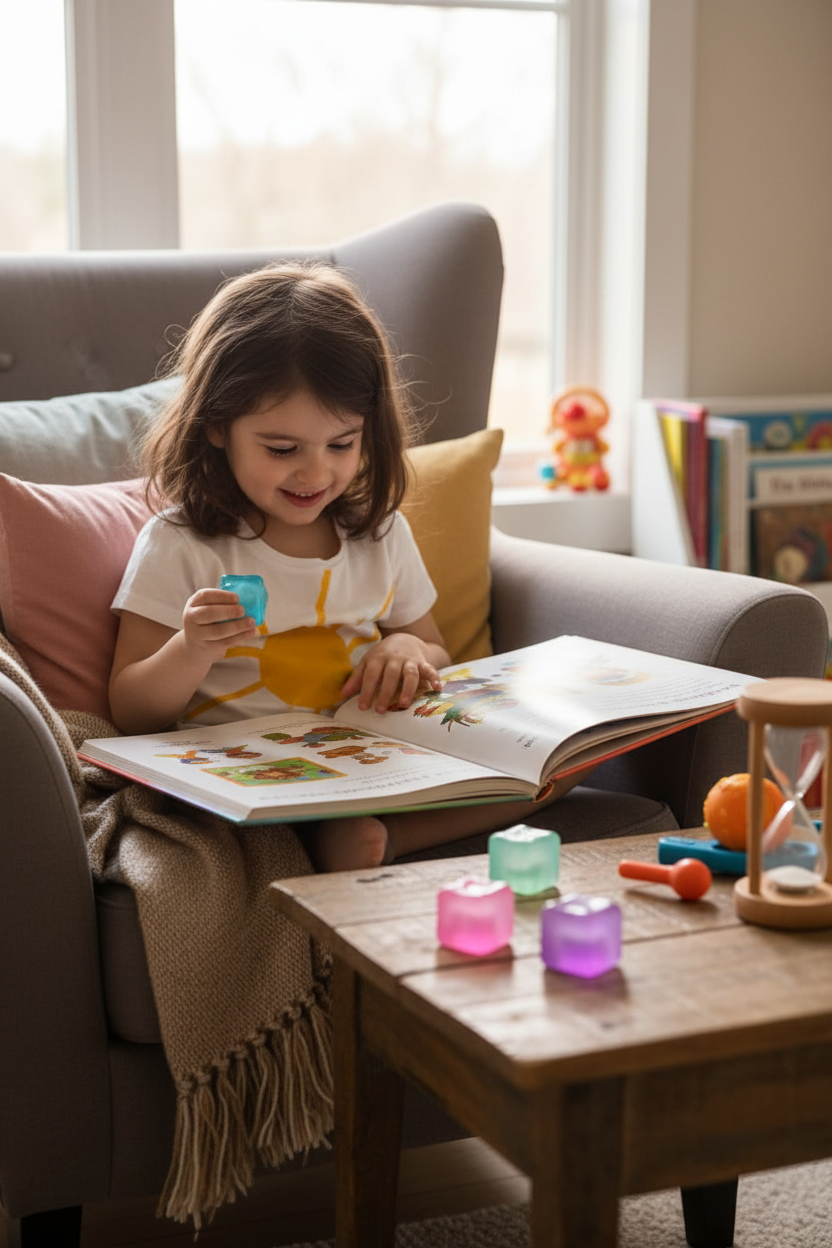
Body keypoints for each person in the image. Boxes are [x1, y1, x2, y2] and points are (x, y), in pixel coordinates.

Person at [109, 261, 580, 871]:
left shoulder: (378, 533)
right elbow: (129, 707)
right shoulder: (183, 543)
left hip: (371, 757)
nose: (315, 474)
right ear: (218, 426)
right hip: (251, 770)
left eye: (341, 444)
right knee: (317, 817)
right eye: (282, 450)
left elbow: (436, 649)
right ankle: (342, 833)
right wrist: (190, 649)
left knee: (559, 763)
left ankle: (387, 835)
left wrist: (407, 651)